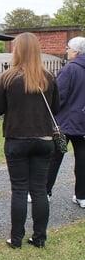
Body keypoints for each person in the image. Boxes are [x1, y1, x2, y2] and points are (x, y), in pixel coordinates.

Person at [0, 32, 59, 248]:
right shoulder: (48, 77)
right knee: (39, 190)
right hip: (43, 137)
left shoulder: (7, 78)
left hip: (16, 138)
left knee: (19, 189)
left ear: (17, 50)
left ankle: (16, 238)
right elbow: (56, 108)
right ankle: (40, 237)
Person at [46, 36, 85, 207]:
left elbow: (58, 96)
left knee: (54, 156)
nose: (66, 50)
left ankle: (45, 192)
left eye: (68, 47)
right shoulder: (72, 68)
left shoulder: (70, 69)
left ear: (76, 51)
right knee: (82, 159)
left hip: (66, 122)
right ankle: (82, 196)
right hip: (82, 122)